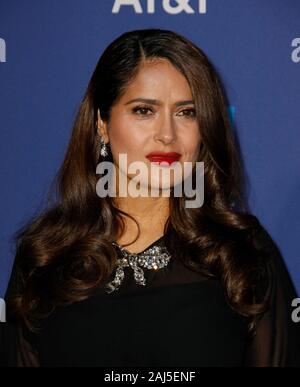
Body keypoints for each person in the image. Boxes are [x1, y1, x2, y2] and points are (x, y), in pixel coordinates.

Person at [1, 28, 300, 367]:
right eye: (144, 110)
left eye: (187, 112)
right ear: (102, 122)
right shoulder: (46, 255)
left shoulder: (241, 253)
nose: (167, 134)